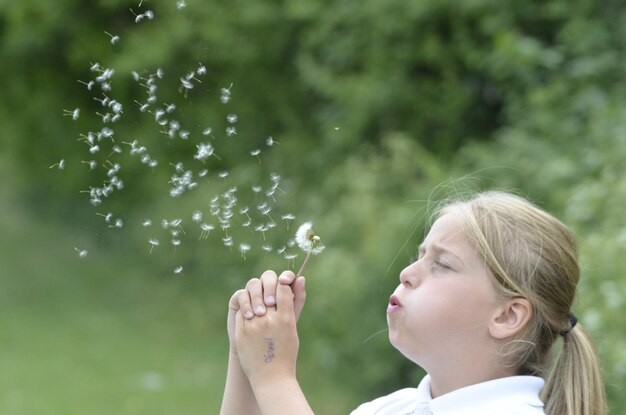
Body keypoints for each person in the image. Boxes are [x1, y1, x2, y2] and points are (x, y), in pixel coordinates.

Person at [220, 191, 607, 415]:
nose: (408, 273)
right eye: (418, 256)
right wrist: (247, 355)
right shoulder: (392, 409)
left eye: (441, 264)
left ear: (507, 315)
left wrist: (275, 376)